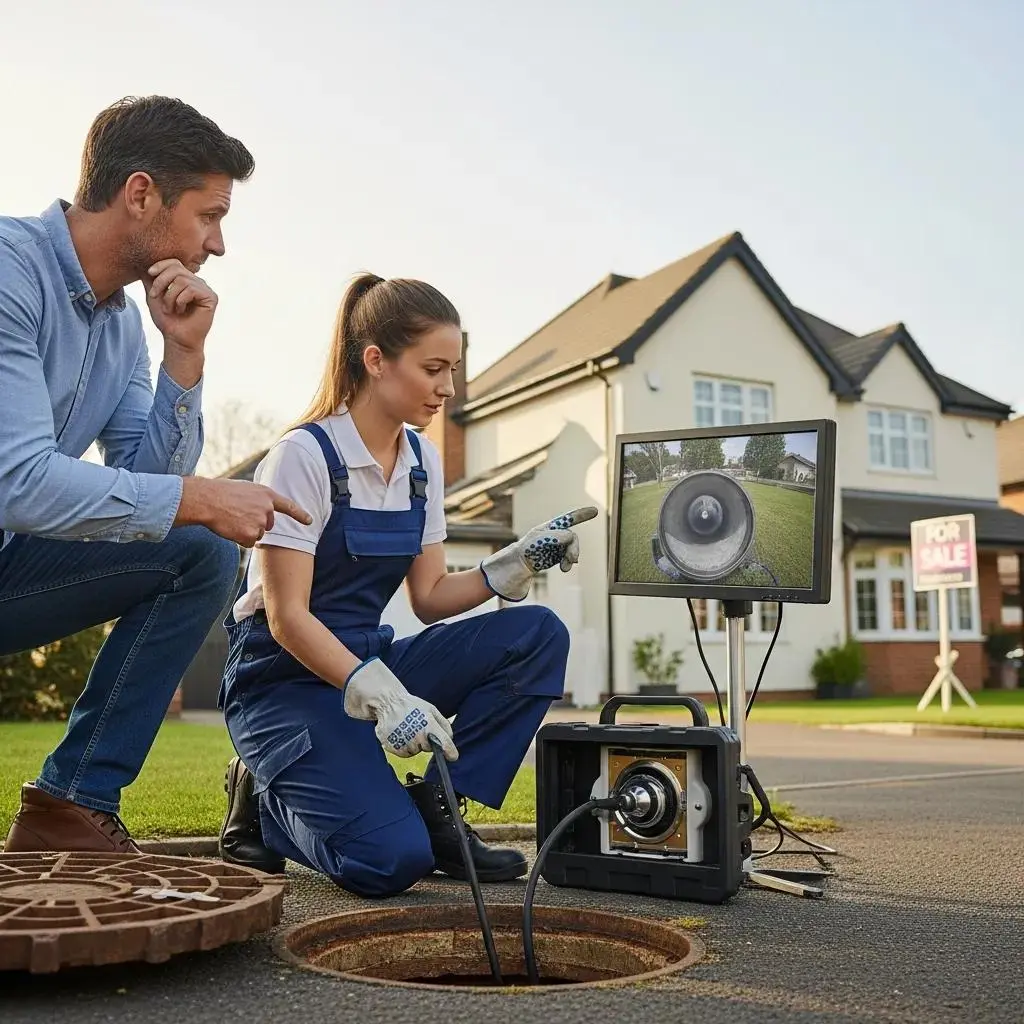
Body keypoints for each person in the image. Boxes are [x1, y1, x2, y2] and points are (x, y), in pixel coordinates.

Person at [216, 273, 597, 897]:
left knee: (537, 635)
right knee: (390, 864)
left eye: (453, 369)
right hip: (281, 683)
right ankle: (263, 799)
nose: (448, 388)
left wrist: (513, 566)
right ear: (376, 361)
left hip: (372, 659)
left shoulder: (421, 463)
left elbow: (430, 597)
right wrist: (381, 694)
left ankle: (439, 807)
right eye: (434, 368)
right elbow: (286, 618)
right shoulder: (303, 457)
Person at [1, 95, 311, 855]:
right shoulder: (10, 271)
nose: (218, 243)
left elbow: (148, 493)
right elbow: (18, 482)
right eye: (210, 215)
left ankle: (71, 806)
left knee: (199, 551)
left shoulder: (120, 327)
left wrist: (185, 358)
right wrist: (202, 496)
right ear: (141, 194)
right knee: (200, 522)